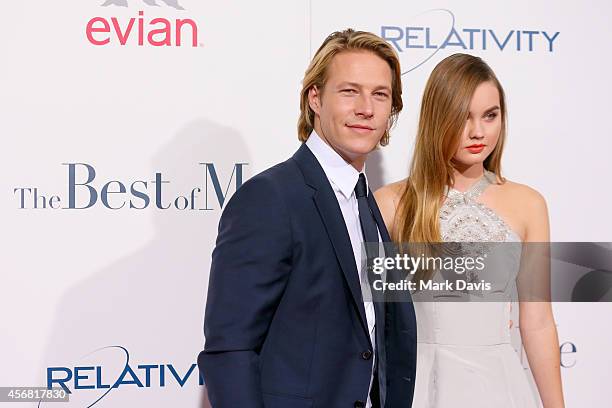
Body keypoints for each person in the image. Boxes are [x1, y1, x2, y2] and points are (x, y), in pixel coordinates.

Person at [198, 29, 417, 408]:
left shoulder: (368, 203)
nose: (366, 107)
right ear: (315, 98)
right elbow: (230, 350)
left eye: (380, 94)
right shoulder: (271, 198)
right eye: (350, 91)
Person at [375, 53, 565, 407]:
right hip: (418, 385)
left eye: (490, 115)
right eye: (463, 117)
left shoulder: (528, 204)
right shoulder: (390, 203)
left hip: (500, 385)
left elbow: (537, 322)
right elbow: (370, 323)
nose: (478, 131)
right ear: (437, 119)